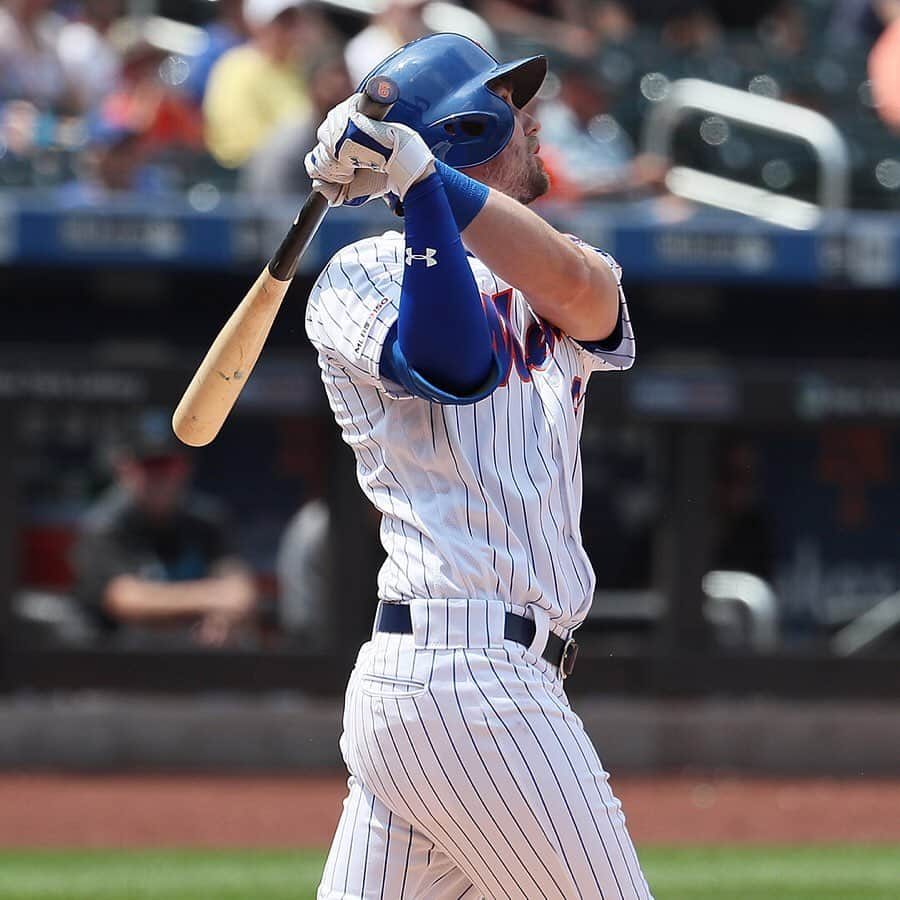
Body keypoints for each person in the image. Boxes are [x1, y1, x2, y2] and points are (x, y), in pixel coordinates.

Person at [304, 33, 651, 899]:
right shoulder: (357, 276)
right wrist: (418, 190)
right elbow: (456, 365)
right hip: (467, 675)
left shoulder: (551, 256)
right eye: (507, 103)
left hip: (468, 687)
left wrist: (425, 179)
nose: (532, 119)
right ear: (462, 125)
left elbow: (587, 296)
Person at [71, 414, 258, 648]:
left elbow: (240, 592)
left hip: (194, 663)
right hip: (113, 665)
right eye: (149, 466)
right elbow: (126, 599)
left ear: (185, 468)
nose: (160, 477)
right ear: (124, 468)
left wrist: (223, 615)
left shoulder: (207, 521)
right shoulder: (103, 526)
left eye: (168, 465)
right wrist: (213, 598)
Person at [203, 0, 327, 168]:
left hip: (296, 166)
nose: (293, 30)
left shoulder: (298, 67)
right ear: (259, 26)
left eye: (295, 20)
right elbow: (237, 147)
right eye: (284, 21)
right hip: (247, 174)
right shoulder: (235, 68)